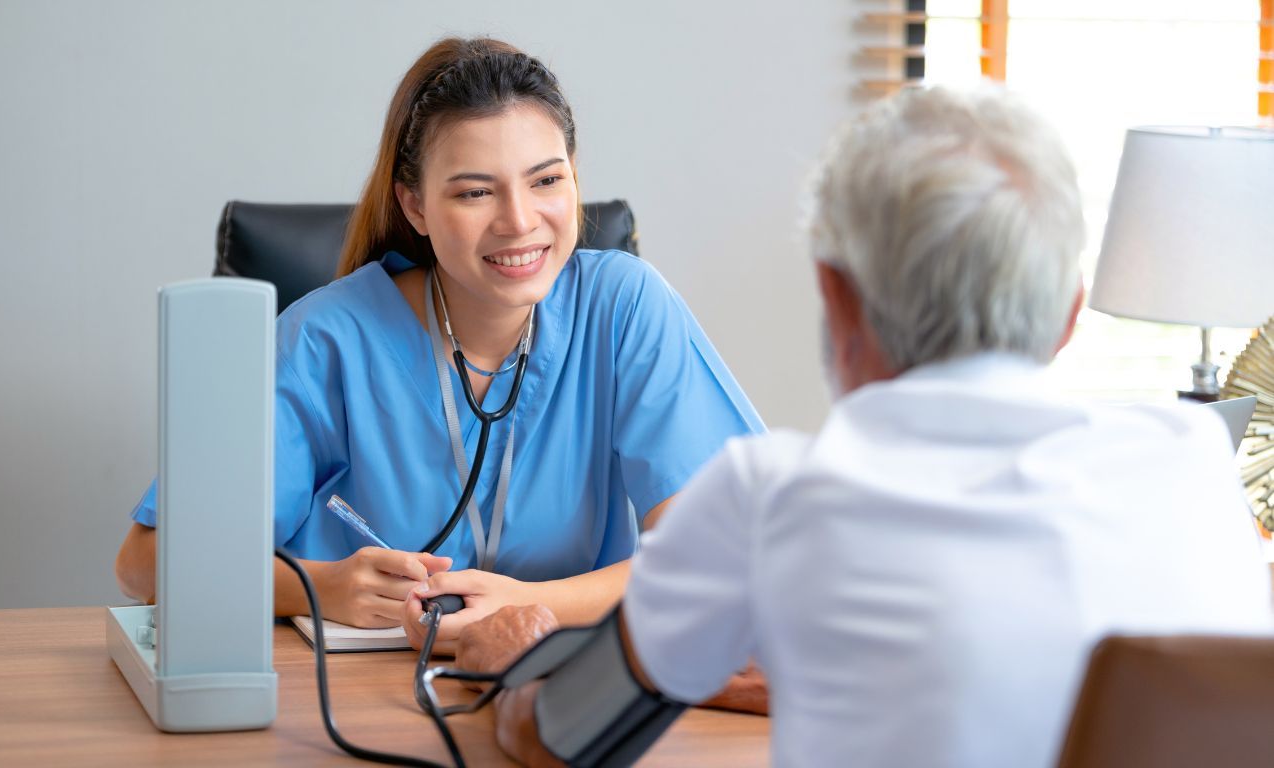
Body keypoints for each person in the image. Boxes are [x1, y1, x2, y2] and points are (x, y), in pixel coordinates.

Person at [456, 85, 1274, 767]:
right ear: (1068, 314)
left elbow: (562, 739)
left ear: (836, 296)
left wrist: (523, 663)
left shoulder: (768, 499)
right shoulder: (1196, 464)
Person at [113, 37, 763, 651]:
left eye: (545, 180)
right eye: (476, 192)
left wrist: (530, 607)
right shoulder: (327, 339)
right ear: (415, 205)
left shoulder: (625, 306)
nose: (518, 221)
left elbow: (723, 556)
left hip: (558, 681)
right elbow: (144, 561)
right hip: (357, 697)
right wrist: (317, 585)